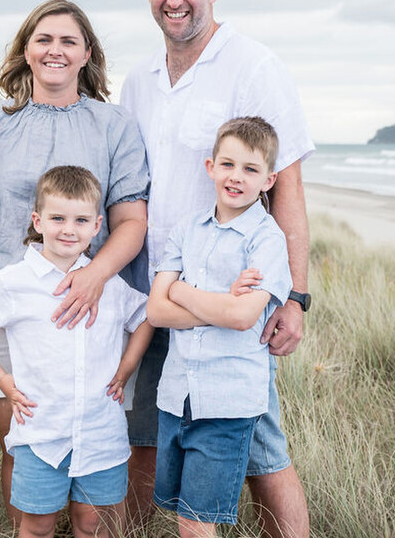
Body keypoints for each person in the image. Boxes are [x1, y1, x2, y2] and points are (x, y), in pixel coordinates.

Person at [120, 0, 314, 538]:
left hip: (233, 298)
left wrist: (296, 297)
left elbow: (289, 189)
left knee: (258, 450)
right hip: (152, 291)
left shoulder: (253, 66)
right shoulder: (139, 80)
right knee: (147, 438)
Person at [0, 0, 149, 524]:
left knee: (96, 444)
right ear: (26, 50)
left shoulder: (114, 126)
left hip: (91, 301)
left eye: (69, 41)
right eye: (44, 39)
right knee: (20, 449)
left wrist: (93, 276)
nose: (55, 51)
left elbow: (132, 221)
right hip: (6, 298)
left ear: (87, 53)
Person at [0, 166, 155, 538]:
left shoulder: (108, 282)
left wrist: (127, 367)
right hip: (41, 433)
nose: (68, 229)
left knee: (94, 522)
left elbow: (147, 316)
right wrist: (3, 380)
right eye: (58, 218)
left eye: (80, 220)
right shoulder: (14, 282)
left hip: (100, 431)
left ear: (97, 226)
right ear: (38, 220)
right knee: (37, 525)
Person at [148, 117, 292, 537]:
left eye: (251, 169)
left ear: (269, 180)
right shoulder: (187, 230)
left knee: (197, 522)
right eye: (228, 165)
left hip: (226, 402)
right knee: (182, 517)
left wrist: (184, 292)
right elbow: (157, 311)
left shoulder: (267, 239)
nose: (236, 177)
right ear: (210, 167)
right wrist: (221, 301)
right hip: (178, 395)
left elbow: (242, 317)